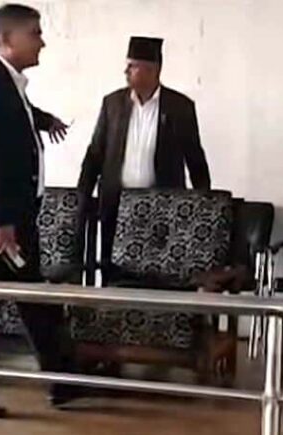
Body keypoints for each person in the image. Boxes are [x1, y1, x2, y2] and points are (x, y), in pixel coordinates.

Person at [0, 3, 75, 418]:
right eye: (34, 33)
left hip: (16, 216)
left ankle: (62, 378)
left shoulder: (8, 84)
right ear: (6, 39)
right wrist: (0, 220)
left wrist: (43, 121)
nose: (42, 42)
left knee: (33, 296)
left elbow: (13, 132)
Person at [76, 37, 211, 271]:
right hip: (116, 204)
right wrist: (83, 195)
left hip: (162, 207)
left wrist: (202, 203)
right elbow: (95, 153)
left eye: (132, 66)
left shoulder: (179, 107)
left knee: (159, 272)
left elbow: (195, 157)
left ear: (151, 70)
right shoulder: (113, 104)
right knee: (112, 269)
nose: (125, 72)